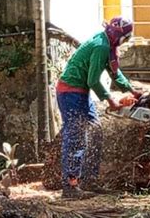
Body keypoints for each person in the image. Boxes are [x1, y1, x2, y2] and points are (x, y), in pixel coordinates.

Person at [56, 16, 141, 198]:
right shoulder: (101, 46)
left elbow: (115, 73)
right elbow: (93, 80)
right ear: (118, 36)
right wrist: (111, 101)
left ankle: (89, 180)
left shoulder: (108, 46)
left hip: (81, 93)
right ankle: (70, 186)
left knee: (96, 132)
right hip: (70, 93)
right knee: (75, 137)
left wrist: (132, 91)